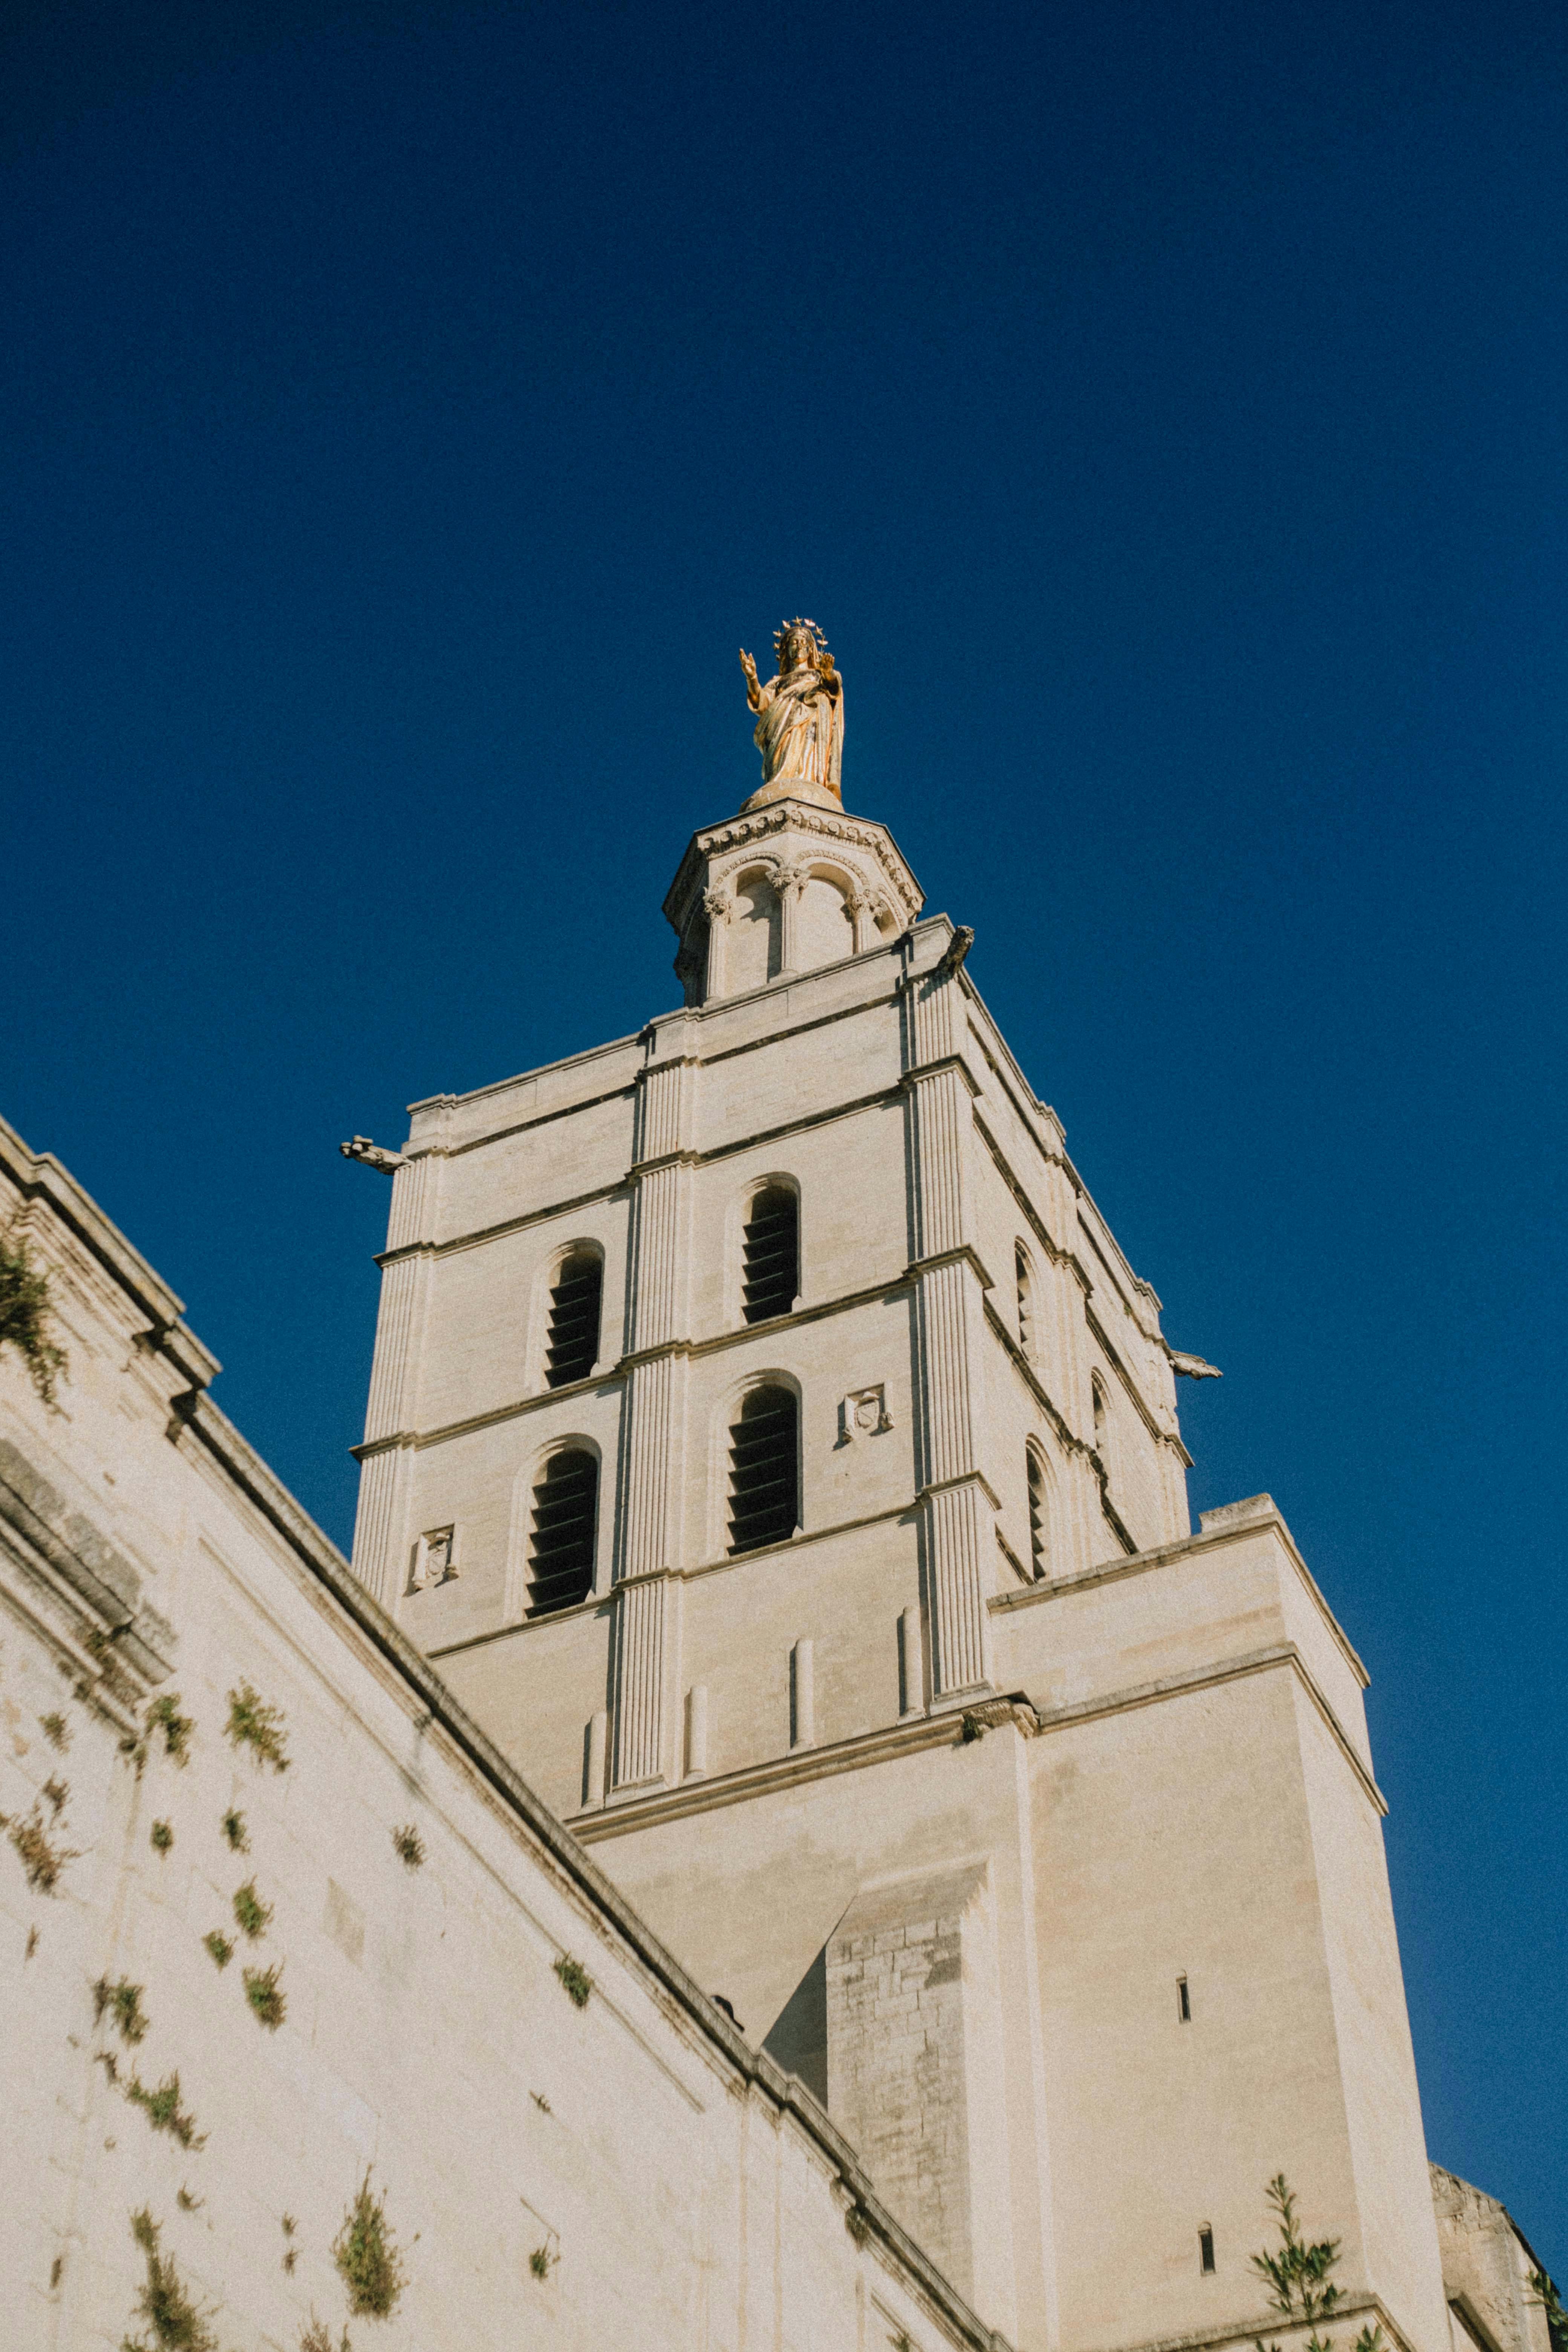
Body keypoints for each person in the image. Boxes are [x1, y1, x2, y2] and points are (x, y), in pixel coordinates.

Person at [739, 620, 844, 801]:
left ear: (811, 649)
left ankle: (810, 781)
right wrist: (752, 678)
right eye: (794, 642)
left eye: (804, 642)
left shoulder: (818, 676)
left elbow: (834, 690)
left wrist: (828, 673)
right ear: (786, 650)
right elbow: (762, 704)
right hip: (781, 726)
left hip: (812, 721)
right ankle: (782, 781)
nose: (799, 646)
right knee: (783, 758)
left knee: (807, 756)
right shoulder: (778, 682)